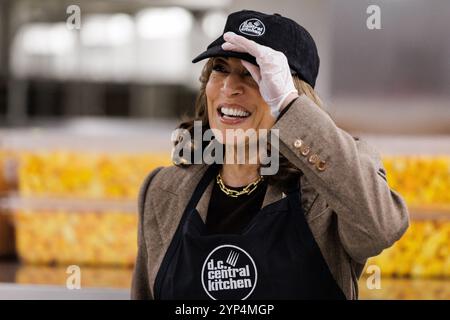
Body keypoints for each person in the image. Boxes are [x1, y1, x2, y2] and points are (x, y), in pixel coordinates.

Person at [131, 9, 409, 300]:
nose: (229, 87)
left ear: (292, 92)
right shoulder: (162, 191)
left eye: (255, 73)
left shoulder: (329, 189)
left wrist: (289, 106)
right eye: (221, 68)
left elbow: (382, 226)